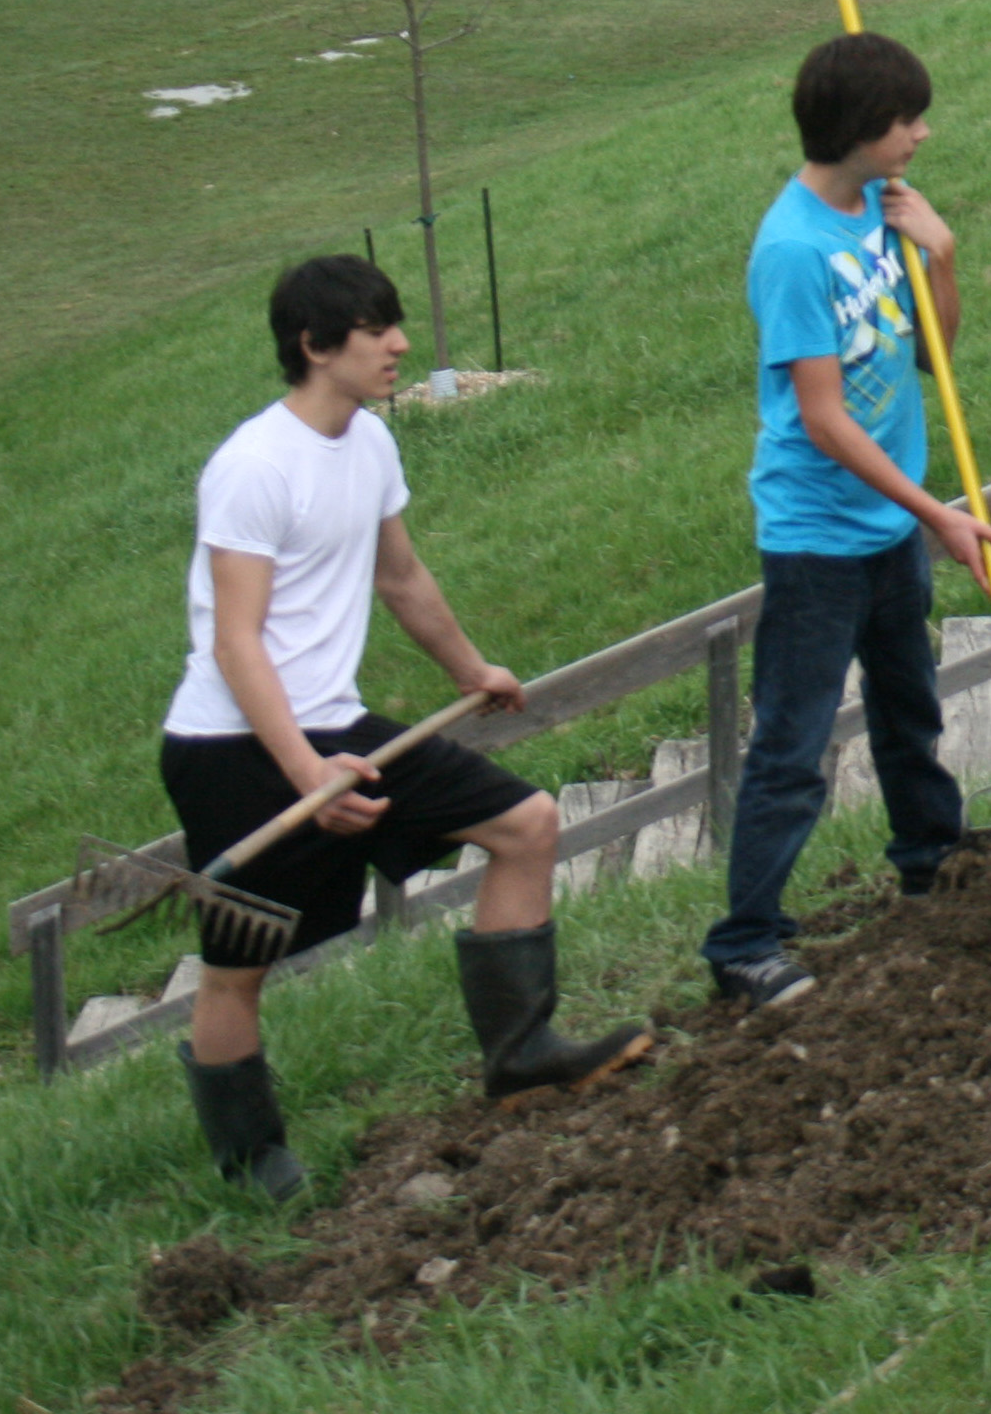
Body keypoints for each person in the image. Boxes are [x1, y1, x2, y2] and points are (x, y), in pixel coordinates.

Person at [161, 256, 650, 1201]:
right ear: (314, 345)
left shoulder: (371, 445)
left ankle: (521, 1054)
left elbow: (401, 577)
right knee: (238, 966)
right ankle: (251, 1155)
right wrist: (305, 771)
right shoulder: (252, 467)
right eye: (377, 329)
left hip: (339, 730)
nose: (401, 345)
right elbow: (235, 641)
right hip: (233, 749)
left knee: (528, 825)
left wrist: (471, 668)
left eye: (396, 327)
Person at [701, 32, 991, 1011]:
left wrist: (941, 256)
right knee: (791, 746)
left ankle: (930, 865)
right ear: (859, 130)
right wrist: (938, 513)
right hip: (820, 537)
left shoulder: (884, 211)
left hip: (890, 529)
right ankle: (745, 944)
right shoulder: (792, 251)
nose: (922, 132)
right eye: (905, 119)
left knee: (910, 712)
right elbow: (824, 421)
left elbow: (934, 360)